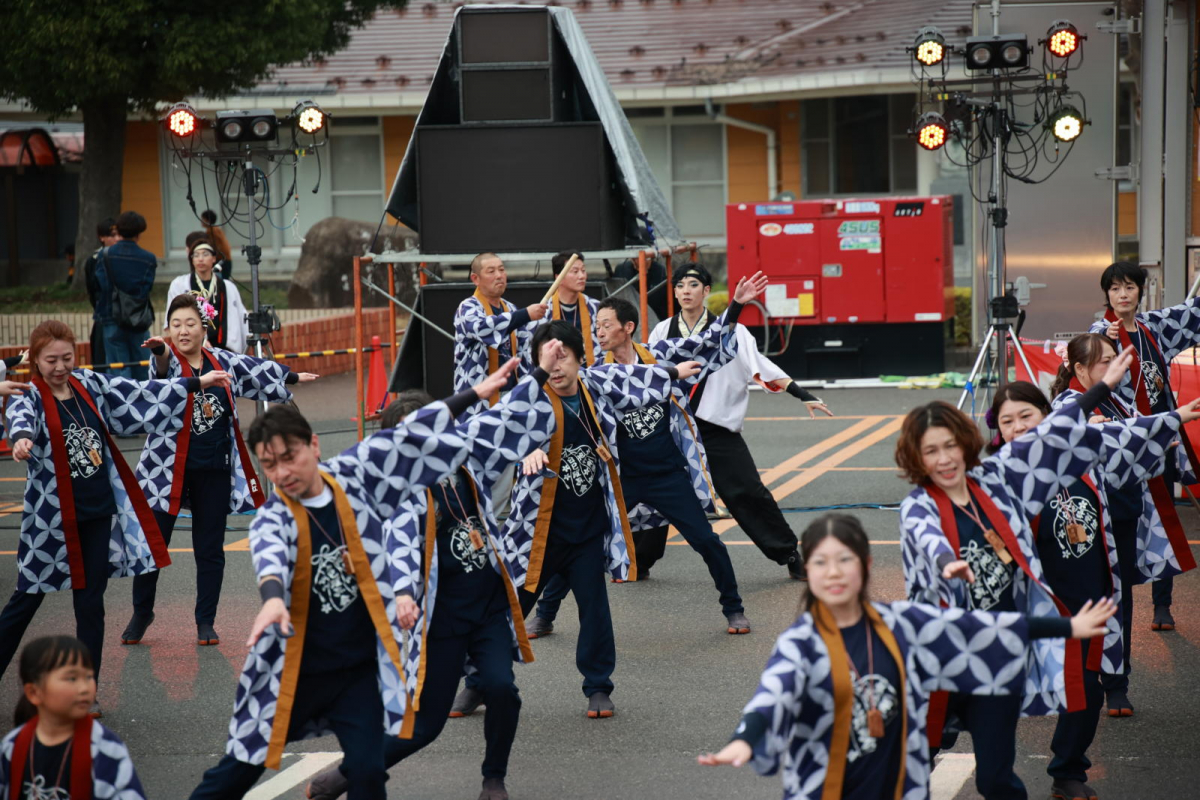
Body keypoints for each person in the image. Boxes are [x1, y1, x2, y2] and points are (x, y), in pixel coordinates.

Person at [188, 364, 520, 800]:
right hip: (298, 668)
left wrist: (476, 393)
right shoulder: (275, 515)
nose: (282, 472)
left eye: (290, 457)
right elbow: (269, 551)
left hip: (355, 671)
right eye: (269, 465)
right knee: (239, 771)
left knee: (367, 773)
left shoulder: (352, 477)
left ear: (314, 445)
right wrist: (271, 596)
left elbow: (403, 436)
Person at [697, 514, 1116, 800]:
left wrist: (1067, 627)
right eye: (821, 562)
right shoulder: (801, 642)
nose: (835, 571)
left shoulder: (902, 623)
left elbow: (983, 629)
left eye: (845, 560)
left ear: (866, 564)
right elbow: (773, 696)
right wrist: (744, 740)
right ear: (808, 569)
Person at [305, 345, 559, 800]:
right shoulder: (400, 489)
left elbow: (503, 421)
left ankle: (493, 778)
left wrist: (540, 370)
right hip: (440, 619)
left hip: (486, 605)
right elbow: (399, 545)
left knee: (502, 689)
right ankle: (348, 773)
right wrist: (403, 593)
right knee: (424, 727)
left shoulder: (460, 452)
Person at [896, 347, 1142, 800]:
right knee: (925, 737)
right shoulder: (920, 504)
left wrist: (1103, 389)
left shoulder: (996, 477)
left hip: (1005, 640)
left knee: (997, 778)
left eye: (950, 445)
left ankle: (1068, 770)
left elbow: (1047, 440)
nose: (944, 457)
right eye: (930, 450)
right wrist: (944, 560)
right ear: (916, 457)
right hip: (951, 640)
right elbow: (925, 533)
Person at [461, 321, 695, 721]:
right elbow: (502, 429)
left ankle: (599, 687)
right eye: (546, 358)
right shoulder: (530, 400)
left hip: (587, 529)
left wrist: (672, 372)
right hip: (538, 532)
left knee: (595, 609)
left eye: (563, 355)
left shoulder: (595, 386)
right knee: (507, 607)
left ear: (578, 358)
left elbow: (631, 375)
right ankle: (477, 683)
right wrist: (526, 452)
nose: (555, 365)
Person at [0, 320, 231, 711]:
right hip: (51, 521)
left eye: (67, 358)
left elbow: (139, 394)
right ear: (35, 361)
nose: (60, 366)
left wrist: (197, 383)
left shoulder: (88, 384)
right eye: (51, 360)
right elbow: (20, 421)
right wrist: (21, 438)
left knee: (91, 604)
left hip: (96, 511)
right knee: (27, 600)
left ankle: (85, 693)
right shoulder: (30, 396)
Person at [993, 363, 1196, 799]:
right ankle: (918, 753)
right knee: (984, 700)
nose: (1016, 428)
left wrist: (1175, 417)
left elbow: (1127, 434)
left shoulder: (1083, 451)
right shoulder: (1004, 478)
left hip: (1087, 606)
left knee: (1085, 694)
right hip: (1035, 611)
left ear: (1048, 417)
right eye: (1006, 421)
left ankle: (1067, 771)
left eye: (1025, 417)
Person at [529, 274, 768, 642]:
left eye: (606, 324)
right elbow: (632, 381)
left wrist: (735, 304)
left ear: (628, 328)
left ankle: (733, 604)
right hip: (622, 477)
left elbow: (708, 343)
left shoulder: (662, 353)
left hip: (667, 474)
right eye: (596, 326)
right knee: (582, 540)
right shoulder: (599, 372)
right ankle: (544, 614)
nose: (600, 331)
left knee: (707, 540)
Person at [121, 294, 317, 648]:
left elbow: (253, 368)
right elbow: (161, 371)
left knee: (209, 548)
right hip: (165, 471)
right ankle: (141, 611)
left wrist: (291, 376)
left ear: (204, 327)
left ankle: (205, 620)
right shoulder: (168, 361)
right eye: (176, 324)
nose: (182, 331)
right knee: (152, 544)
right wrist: (160, 351)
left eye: (190, 324)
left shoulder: (220, 360)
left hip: (213, 468)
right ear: (168, 329)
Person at [1045, 333, 1197, 720]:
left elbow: (1137, 442)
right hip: (1085, 518)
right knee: (1088, 596)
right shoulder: (1069, 404)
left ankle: (1116, 683)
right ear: (1078, 369)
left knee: (1120, 597)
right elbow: (1117, 437)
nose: (1117, 366)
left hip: (1123, 511)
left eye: (1117, 358)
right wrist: (1169, 422)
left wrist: (1159, 436)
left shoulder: (1123, 398)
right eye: (1104, 361)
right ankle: (1083, 677)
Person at [651, 263, 832, 579]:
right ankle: (638, 559)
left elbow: (761, 365)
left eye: (693, 284)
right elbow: (648, 375)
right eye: (679, 285)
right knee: (651, 490)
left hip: (714, 427)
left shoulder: (732, 330)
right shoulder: (661, 331)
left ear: (707, 291)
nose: (685, 291)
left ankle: (788, 554)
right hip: (675, 426)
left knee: (748, 493)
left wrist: (803, 394)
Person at [1090, 261, 1200, 633]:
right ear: (1106, 294)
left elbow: (1191, 313)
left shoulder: (1154, 327)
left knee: (1165, 518)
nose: (1123, 295)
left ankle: (1163, 604)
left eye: (1130, 288)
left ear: (1140, 291)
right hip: (1122, 448)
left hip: (1161, 440)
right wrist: (1103, 346)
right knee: (1128, 523)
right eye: (1115, 288)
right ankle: (1120, 604)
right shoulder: (1099, 333)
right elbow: (1081, 374)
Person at [0, 636, 146, 799]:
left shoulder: (106, 748)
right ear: (34, 693)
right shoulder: (12, 746)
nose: (84, 688)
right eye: (72, 678)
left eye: (89, 677)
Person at [453, 252, 549, 417]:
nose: (499, 276)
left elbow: (524, 353)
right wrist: (526, 314)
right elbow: (485, 328)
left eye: (502, 270)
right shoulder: (467, 308)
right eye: (491, 271)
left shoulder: (510, 309)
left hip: (510, 396)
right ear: (476, 279)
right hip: (478, 397)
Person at [93, 210, 156, 381]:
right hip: (137, 318)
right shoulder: (148, 258)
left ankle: (121, 403)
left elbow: (100, 285)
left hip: (110, 316)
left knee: (117, 367)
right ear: (139, 233)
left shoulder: (104, 255)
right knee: (142, 365)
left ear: (118, 230)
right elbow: (145, 289)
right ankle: (143, 403)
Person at [166, 241, 249, 354]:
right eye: (196, 255)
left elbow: (241, 316)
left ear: (214, 258)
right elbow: (171, 318)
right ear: (192, 259)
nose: (200, 259)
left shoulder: (228, 287)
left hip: (224, 347)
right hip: (193, 347)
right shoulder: (180, 284)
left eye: (205, 254)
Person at [544, 250, 602, 366]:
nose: (582, 276)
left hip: (592, 373)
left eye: (583, 271)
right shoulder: (543, 311)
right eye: (575, 271)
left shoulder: (596, 308)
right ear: (558, 277)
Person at [83, 218, 119, 371]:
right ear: (101, 237)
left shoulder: (123, 257)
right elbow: (93, 291)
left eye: (118, 234)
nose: (116, 239)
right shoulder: (94, 260)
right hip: (104, 315)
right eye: (112, 235)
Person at [200, 209, 234, 278]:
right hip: (225, 260)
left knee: (219, 283)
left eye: (202, 219)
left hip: (221, 261)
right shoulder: (216, 229)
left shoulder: (211, 231)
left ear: (207, 220)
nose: (201, 221)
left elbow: (215, 247)